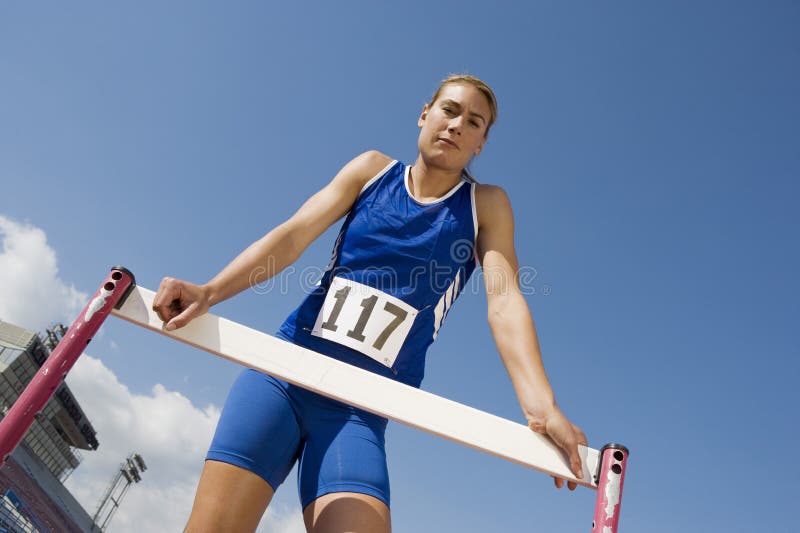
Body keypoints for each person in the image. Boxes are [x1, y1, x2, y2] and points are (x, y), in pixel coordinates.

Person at [152, 74, 587, 533]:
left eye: (474, 121)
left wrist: (542, 408)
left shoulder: (487, 205)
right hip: (282, 377)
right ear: (424, 114)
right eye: (449, 110)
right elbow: (294, 235)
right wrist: (210, 291)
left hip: (358, 412)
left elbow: (504, 299)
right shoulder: (371, 170)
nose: (457, 125)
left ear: (481, 143)